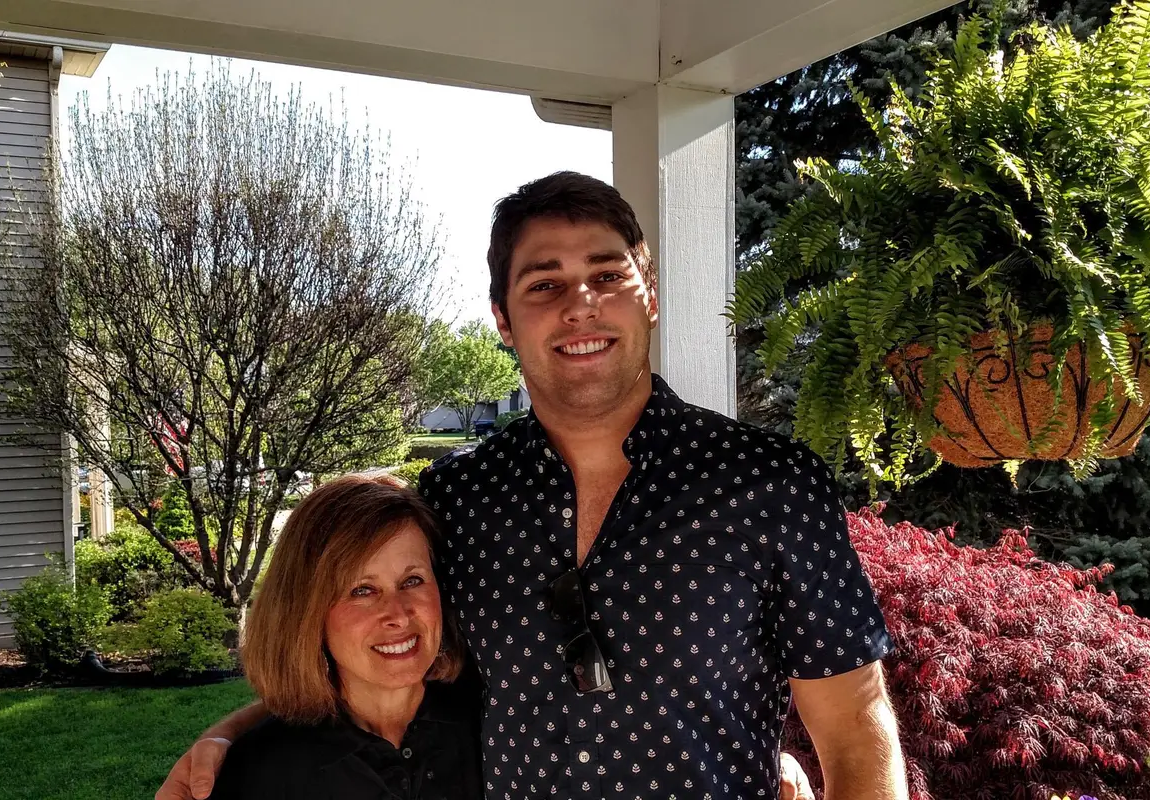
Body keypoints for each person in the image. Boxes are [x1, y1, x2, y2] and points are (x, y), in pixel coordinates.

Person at [158, 172, 906, 800]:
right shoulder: (459, 496)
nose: (580, 304)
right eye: (544, 283)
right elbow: (379, 658)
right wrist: (234, 731)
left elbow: (856, 734)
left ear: (648, 294)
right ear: (504, 321)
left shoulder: (768, 484)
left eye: (608, 275)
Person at [205, 473, 481, 800]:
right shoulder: (260, 774)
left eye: (413, 580)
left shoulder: (491, 723)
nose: (398, 614)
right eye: (362, 590)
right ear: (306, 613)